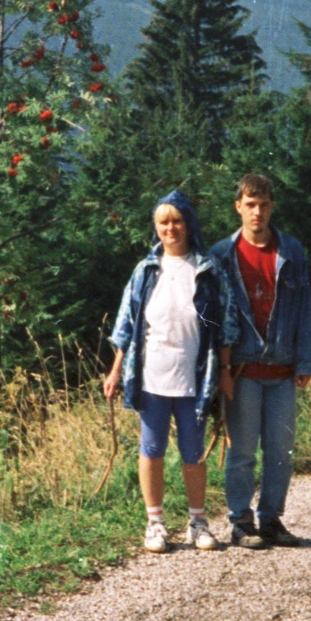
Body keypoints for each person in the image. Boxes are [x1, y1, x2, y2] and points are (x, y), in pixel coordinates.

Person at [104, 191, 229, 553]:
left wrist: (226, 371)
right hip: (151, 376)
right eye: (163, 222)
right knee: (152, 448)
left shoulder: (207, 268)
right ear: (155, 228)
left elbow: (226, 324)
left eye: (177, 220)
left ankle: (198, 522)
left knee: (194, 452)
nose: (170, 228)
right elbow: (125, 325)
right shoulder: (145, 271)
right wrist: (115, 372)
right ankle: (155, 524)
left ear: (188, 223)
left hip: (195, 377)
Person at [208, 173, 311, 549]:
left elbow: (304, 309)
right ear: (238, 206)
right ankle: (240, 522)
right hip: (241, 371)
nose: (257, 212)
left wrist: (305, 362)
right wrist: (219, 370)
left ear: (272, 206)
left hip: (283, 368)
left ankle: (271, 519)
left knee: (281, 451)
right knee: (241, 452)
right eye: (250, 204)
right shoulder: (221, 254)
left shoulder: (292, 250)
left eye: (263, 204)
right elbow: (214, 317)